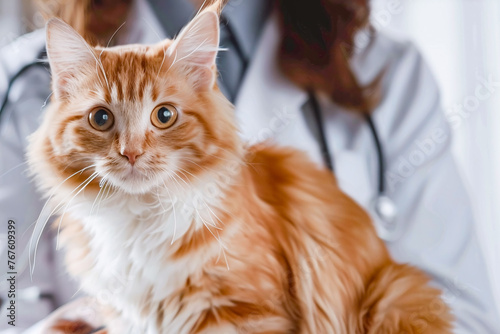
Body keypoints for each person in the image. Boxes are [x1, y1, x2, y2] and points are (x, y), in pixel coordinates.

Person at [0, 0, 498, 332]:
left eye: (163, 115)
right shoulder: (18, 78)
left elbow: (465, 313)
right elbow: (9, 297)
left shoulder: (390, 67)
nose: (131, 149)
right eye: (103, 118)